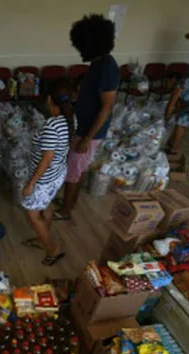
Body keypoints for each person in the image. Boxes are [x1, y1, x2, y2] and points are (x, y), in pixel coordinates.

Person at [54, 15, 119, 222]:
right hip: (83, 128)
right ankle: (69, 202)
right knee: (78, 170)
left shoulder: (107, 68)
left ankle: (65, 211)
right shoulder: (98, 64)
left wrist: (87, 139)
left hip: (90, 132)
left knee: (73, 170)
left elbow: (107, 106)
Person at [21, 79, 73, 266]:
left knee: (32, 215)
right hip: (57, 174)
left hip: (44, 179)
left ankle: (52, 249)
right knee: (46, 206)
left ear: (49, 99)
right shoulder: (69, 118)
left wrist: (31, 184)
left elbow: (46, 158)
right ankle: (42, 236)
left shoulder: (52, 126)